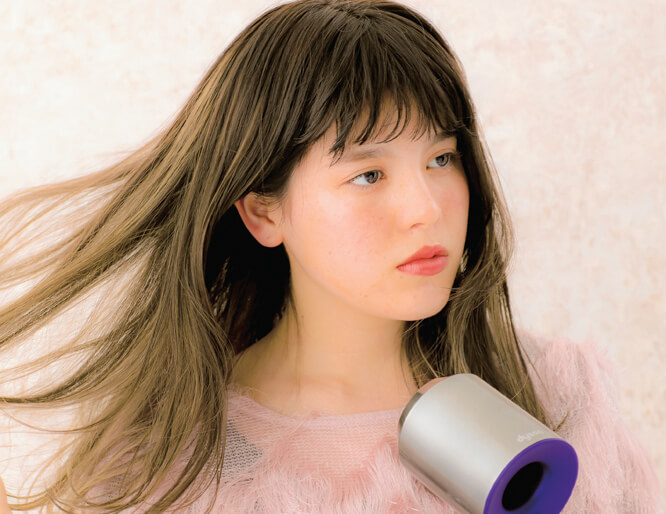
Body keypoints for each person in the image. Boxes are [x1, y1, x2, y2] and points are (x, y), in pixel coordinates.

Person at [0, 0, 660, 512]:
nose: (426, 208)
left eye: (442, 158)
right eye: (368, 174)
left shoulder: (556, 399)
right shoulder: (172, 459)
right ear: (264, 212)